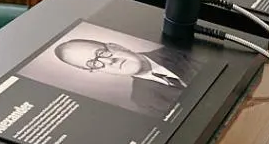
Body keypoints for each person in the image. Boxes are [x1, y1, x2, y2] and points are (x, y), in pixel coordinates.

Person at [52, 36, 192, 118]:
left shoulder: (178, 45)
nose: (110, 62)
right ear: (95, 71)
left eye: (101, 53)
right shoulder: (143, 101)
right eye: (94, 63)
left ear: (116, 46)